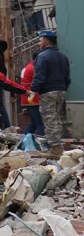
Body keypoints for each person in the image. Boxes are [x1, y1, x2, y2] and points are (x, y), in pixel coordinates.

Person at [30, 30, 71, 158]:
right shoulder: (63, 56)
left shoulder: (42, 57)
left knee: (50, 120)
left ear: (46, 42)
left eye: (40, 40)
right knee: (57, 118)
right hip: (61, 90)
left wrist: (32, 91)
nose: (39, 43)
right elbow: (67, 77)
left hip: (48, 91)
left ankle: (55, 149)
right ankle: (59, 145)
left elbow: (39, 76)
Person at [21, 53, 44, 136]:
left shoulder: (27, 67)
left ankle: (22, 140)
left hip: (26, 97)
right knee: (40, 124)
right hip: (33, 98)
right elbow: (39, 80)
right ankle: (41, 144)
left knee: (33, 123)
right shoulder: (34, 68)